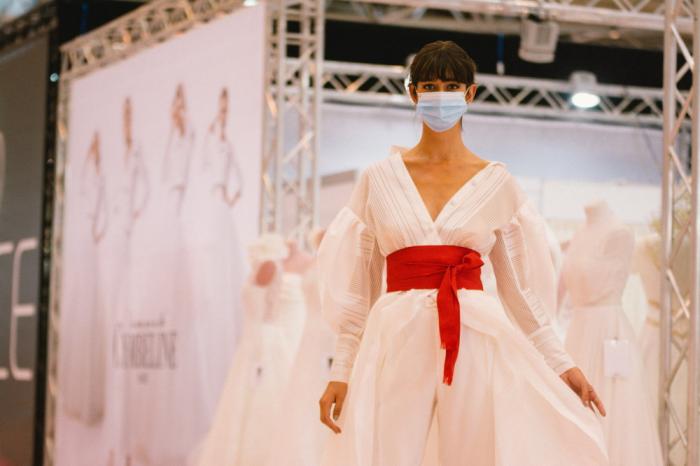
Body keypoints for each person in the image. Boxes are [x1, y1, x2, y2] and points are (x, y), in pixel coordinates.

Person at [317, 40, 609, 466]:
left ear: (470, 93)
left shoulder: (497, 182)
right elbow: (360, 286)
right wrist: (341, 370)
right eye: (430, 86)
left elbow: (519, 291)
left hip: (474, 335)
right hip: (396, 335)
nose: (441, 96)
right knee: (389, 453)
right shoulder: (378, 180)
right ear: (413, 93)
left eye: (452, 86)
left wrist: (562, 364)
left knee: (473, 455)